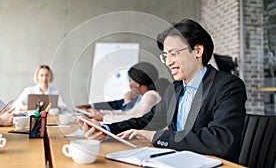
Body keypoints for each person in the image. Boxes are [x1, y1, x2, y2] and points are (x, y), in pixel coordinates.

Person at [78, 19, 247, 162]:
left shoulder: (228, 86)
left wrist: (157, 136)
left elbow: (221, 140)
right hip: (177, 160)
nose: (168, 62)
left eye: (174, 54)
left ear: (197, 51)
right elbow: (146, 120)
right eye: (165, 56)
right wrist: (106, 129)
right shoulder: (175, 89)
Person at [77, 62, 160, 113]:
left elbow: (129, 117)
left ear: (137, 83)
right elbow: (116, 104)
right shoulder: (139, 96)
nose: (129, 84)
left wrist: (127, 102)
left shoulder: (151, 98)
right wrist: (90, 106)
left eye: (130, 81)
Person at [101, 78, 170, 123]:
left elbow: (137, 118)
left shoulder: (150, 95)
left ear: (138, 84)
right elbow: (129, 114)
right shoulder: (144, 96)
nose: (129, 84)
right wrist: (103, 114)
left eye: (130, 81)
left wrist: (105, 117)